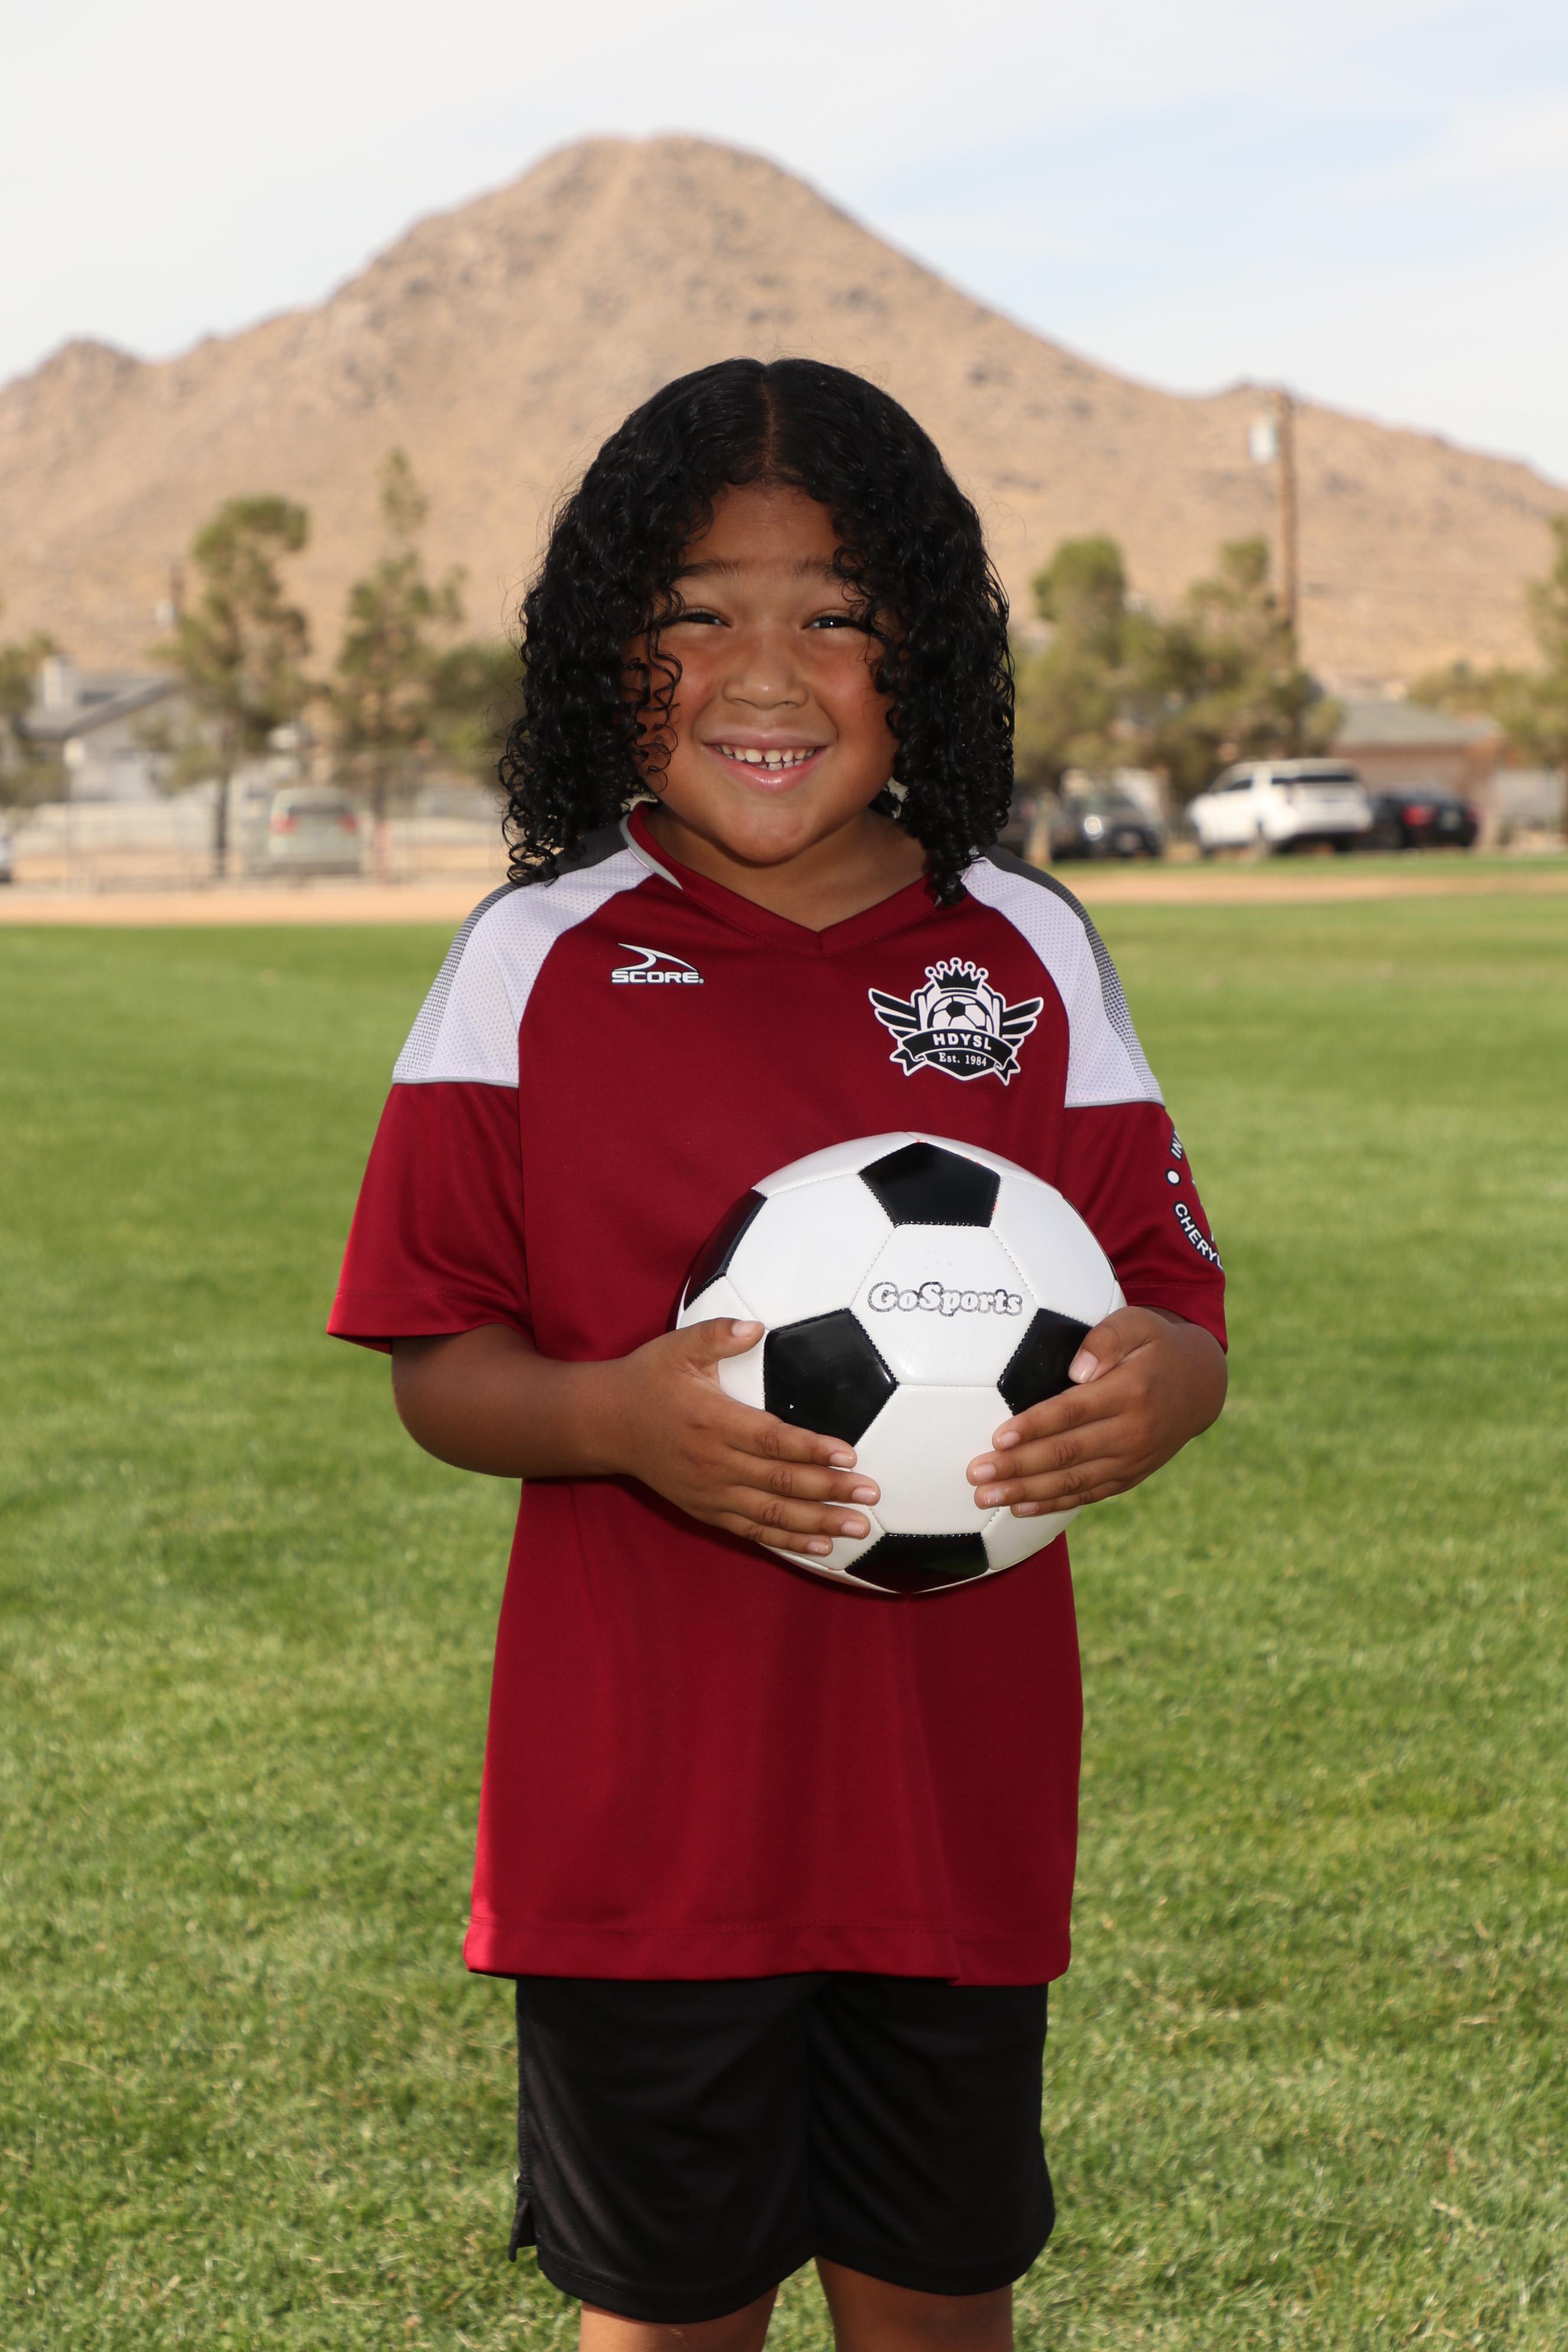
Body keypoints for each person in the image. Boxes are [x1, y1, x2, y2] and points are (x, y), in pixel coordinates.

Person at [329, 357, 1227, 2352]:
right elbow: (435, 1359)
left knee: (941, 2306)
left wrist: (1160, 1388)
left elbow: (1174, 1293)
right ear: (608, 659)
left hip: (950, 1808)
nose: (765, 672)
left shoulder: (1024, 950)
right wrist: (614, 1419)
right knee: (671, 2319)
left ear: (926, 660)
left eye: (835, 615)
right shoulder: (533, 959)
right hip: (642, 1823)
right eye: (694, 616)